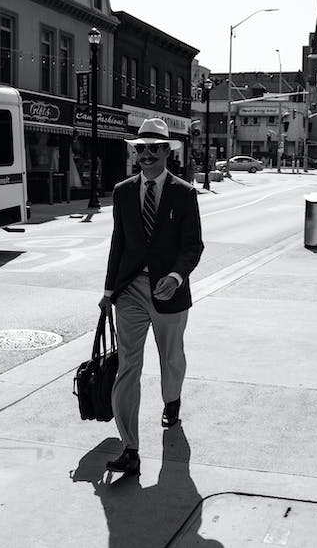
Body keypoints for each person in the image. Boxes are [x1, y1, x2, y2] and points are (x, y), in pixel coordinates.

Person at [99, 118, 204, 476]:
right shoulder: (123, 191)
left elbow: (193, 246)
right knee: (128, 366)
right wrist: (109, 290)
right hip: (130, 291)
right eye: (140, 148)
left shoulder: (184, 193)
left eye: (153, 148)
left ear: (166, 152)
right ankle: (130, 447)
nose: (145, 154)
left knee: (171, 359)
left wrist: (175, 277)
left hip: (169, 292)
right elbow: (119, 243)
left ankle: (171, 401)